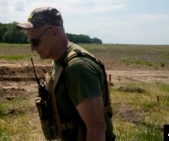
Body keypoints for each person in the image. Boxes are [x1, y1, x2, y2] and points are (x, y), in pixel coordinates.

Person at [16, 6, 115, 141]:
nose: (32, 48)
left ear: (54, 32)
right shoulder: (59, 62)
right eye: (29, 41)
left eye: (35, 41)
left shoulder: (78, 68)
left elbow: (96, 127)